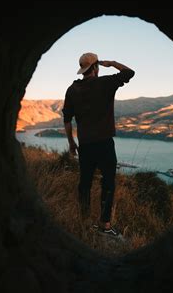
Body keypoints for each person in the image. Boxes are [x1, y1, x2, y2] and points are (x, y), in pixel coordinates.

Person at [62, 52, 135, 237]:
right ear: (96, 67)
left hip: (85, 145)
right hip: (104, 144)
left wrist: (72, 143)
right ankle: (105, 224)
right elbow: (129, 72)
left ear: (83, 70)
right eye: (98, 66)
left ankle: (84, 221)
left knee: (84, 183)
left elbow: (67, 120)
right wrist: (112, 62)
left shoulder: (72, 89)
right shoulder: (104, 83)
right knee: (108, 183)